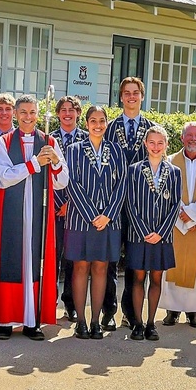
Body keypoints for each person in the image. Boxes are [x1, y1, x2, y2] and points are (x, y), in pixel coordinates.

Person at [0, 94, 71, 340]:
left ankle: (32, 321)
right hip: (10, 210)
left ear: (38, 114)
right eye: (23, 112)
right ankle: (5, 320)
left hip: (38, 211)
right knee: (10, 260)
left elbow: (62, 181)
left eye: (32, 112)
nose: (28, 117)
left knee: (35, 263)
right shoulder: (3, 142)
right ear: (15, 114)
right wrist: (34, 163)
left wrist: (54, 161)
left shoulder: (49, 141)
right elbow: (4, 177)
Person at [63, 104, 128, 339]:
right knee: (81, 267)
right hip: (81, 220)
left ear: (107, 123)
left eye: (102, 121)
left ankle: (95, 321)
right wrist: (92, 215)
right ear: (86, 123)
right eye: (93, 120)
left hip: (109, 221)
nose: (98, 125)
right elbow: (72, 183)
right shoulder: (73, 149)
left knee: (101, 267)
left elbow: (122, 184)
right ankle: (80, 321)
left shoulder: (117, 150)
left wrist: (108, 214)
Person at [124, 125, 181, 341]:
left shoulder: (174, 172)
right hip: (139, 234)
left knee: (157, 278)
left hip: (162, 236)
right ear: (145, 144)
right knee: (138, 278)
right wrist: (143, 231)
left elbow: (175, 205)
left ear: (166, 145)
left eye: (160, 143)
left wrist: (161, 232)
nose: (156, 147)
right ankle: (137, 324)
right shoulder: (135, 169)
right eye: (152, 142)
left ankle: (150, 324)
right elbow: (129, 202)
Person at [103, 77, 151, 330]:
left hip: (140, 205)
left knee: (134, 261)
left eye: (136, 93)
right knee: (111, 258)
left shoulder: (152, 128)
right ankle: (108, 310)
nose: (131, 97)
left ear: (142, 96)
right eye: (127, 93)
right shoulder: (109, 128)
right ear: (121, 97)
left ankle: (130, 312)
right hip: (113, 203)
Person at [162, 122, 196, 327]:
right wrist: (181, 214)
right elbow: (166, 193)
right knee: (174, 264)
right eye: (189, 135)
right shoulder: (169, 161)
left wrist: (194, 216)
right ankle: (172, 311)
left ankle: (194, 312)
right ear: (182, 138)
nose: (193, 139)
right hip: (175, 223)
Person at [51, 96, 86, 322]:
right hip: (52, 208)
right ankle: (48, 301)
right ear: (57, 114)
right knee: (52, 257)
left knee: (73, 260)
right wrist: (57, 203)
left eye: (71, 110)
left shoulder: (86, 139)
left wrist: (70, 202)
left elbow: (84, 177)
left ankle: (70, 303)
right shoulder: (48, 138)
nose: (67, 113)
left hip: (77, 208)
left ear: (78, 113)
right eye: (63, 110)